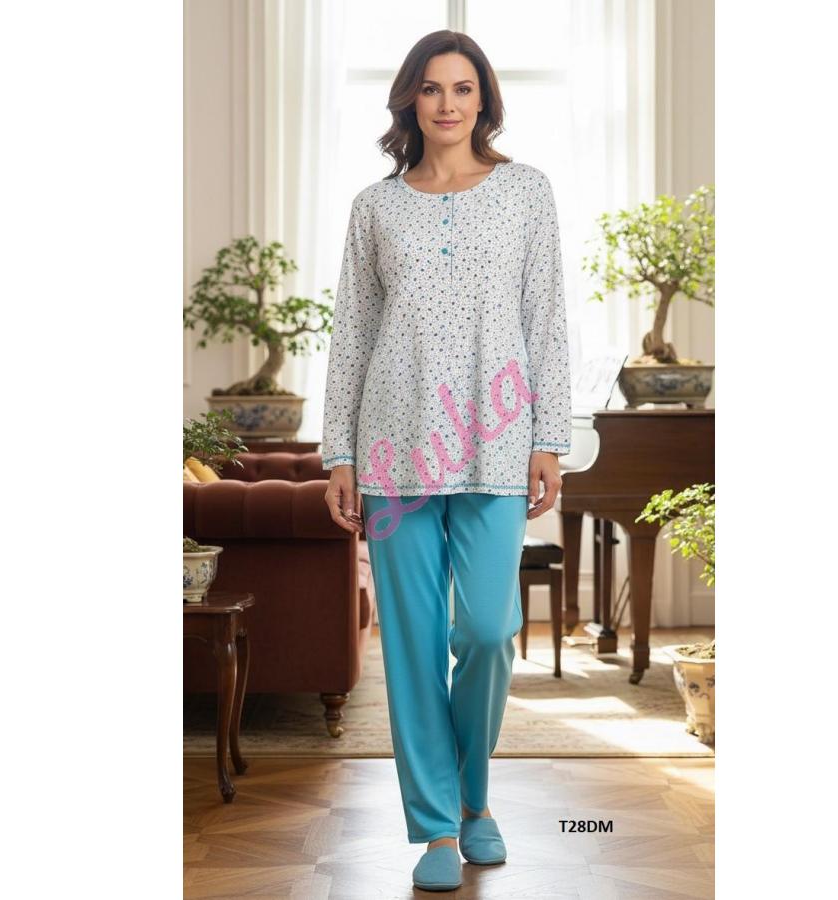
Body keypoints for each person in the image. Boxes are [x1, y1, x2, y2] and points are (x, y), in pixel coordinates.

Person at [320, 29, 572, 892]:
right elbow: (352, 334)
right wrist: (340, 453)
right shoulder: (375, 207)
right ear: (410, 100)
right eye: (431, 88)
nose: (448, 103)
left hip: (498, 442)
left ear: (484, 100)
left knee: (490, 630)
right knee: (414, 642)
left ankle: (473, 795)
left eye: (463, 88)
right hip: (392, 447)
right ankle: (437, 825)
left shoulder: (527, 193)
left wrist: (548, 438)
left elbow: (546, 319)